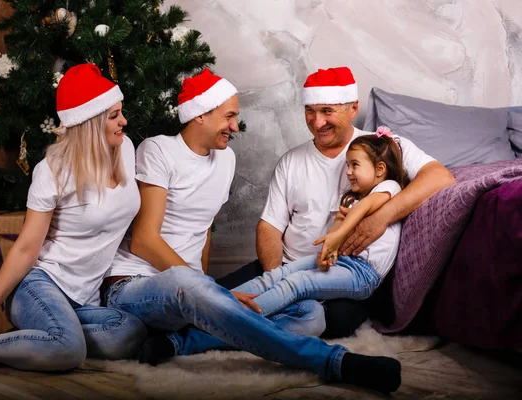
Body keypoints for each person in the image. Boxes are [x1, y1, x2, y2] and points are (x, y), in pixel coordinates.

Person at [101, 68, 402, 393]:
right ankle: (333, 362)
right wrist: (206, 289)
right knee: (202, 288)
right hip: (137, 285)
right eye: (229, 116)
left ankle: (177, 343)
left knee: (309, 316)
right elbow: (145, 240)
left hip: (188, 289)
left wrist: (208, 294)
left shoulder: (226, 159)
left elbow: (204, 231)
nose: (235, 126)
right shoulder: (158, 149)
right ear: (200, 115)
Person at [0, 63, 147, 371]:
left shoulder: (125, 150)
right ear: (90, 124)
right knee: (68, 350)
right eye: (113, 116)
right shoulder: (52, 170)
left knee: (128, 331)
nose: (124, 121)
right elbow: (27, 248)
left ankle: (45, 339)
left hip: (85, 298)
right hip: (39, 285)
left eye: (121, 111)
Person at [216, 66, 456, 337]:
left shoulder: (383, 147)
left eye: (327, 111)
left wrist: (380, 218)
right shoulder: (291, 161)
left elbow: (440, 177)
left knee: (337, 321)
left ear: (353, 108)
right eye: (310, 111)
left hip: (344, 273)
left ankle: (239, 327)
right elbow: (269, 227)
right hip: (288, 265)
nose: (317, 123)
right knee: (214, 293)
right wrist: (280, 277)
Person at [231, 129, 408, 317]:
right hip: (341, 262)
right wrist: (325, 254)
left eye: (354, 165)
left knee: (298, 282)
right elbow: (338, 225)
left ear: (380, 169)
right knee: (278, 275)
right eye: (347, 165)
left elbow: (363, 208)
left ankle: (237, 319)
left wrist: (338, 237)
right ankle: (218, 304)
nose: (348, 172)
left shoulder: (389, 187)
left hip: (362, 273)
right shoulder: (351, 198)